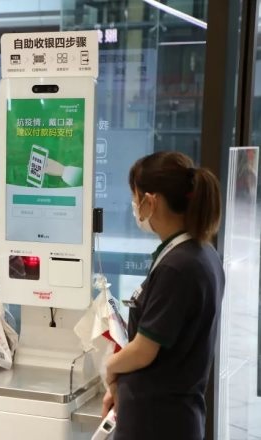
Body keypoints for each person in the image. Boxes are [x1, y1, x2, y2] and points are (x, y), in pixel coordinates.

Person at [101, 151, 225, 440]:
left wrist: (110, 369)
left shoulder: (179, 267)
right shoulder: (200, 253)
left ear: (151, 201)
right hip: (168, 415)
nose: (134, 207)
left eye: (135, 197)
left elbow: (144, 351)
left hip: (158, 422)